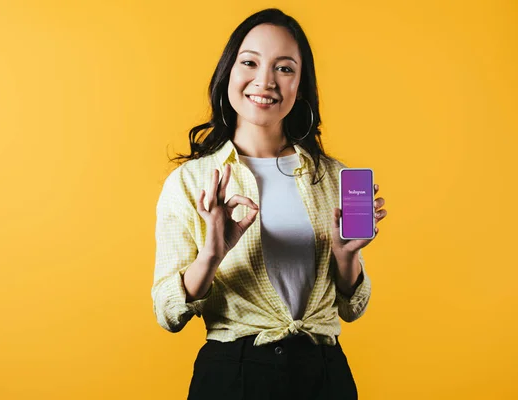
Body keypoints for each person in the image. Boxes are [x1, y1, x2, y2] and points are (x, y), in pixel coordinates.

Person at [151, 8, 387, 400]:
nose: (265, 81)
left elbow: (352, 309)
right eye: (250, 63)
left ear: (301, 85)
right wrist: (211, 254)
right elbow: (167, 313)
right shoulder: (191, 183)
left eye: (284, 68)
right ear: (229, 71)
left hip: (324, 375)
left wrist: (348, 258)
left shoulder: (331, 176)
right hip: (234, 375)